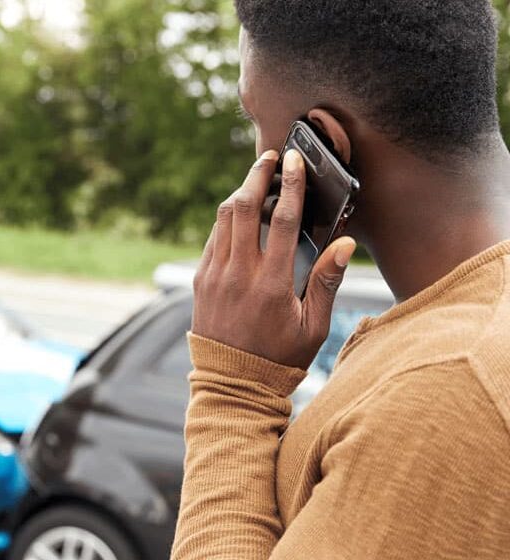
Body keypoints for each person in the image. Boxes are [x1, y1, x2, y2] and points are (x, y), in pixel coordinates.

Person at [172, 1, 510, 559]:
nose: (259, 155)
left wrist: (232, 389)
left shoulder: (453, 383)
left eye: (256, 122)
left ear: (323, 142)